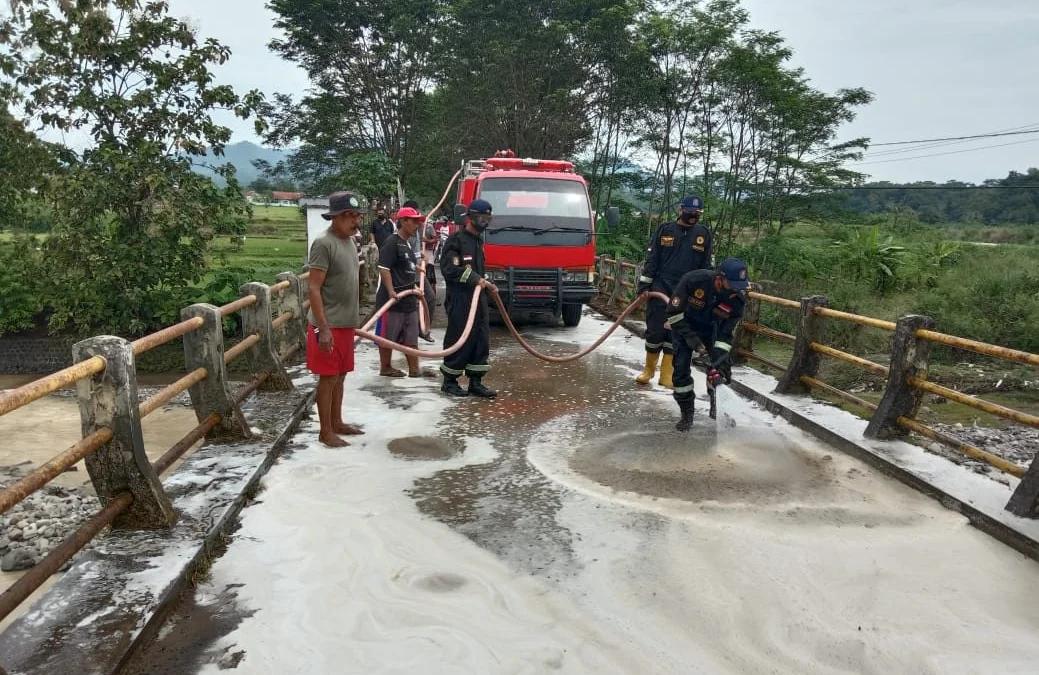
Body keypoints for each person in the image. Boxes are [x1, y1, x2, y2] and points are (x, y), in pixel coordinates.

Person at [306, 191, 366, 448]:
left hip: (346, 322)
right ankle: (325, 431)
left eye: (356, 215)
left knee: (340, 375)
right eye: (347, 216)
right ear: (334, 217)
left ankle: (338, 422)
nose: (354, 221)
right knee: (328, 377)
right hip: (327, 324)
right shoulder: (323, 243)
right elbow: (313, 288)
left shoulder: (351, 242)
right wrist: (323, 328)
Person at [635, 195, 713, 389]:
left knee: (675, 333)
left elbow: (706, 267)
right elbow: (652, 259)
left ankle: (666, 375)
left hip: (685, 293)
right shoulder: (665, 229)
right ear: (680, 210)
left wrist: (702, 293)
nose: (693, 215)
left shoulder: (703, 234)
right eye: (690, 211)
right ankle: (649, 370)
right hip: (661, 286)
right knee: (655, 331)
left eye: (697, 213)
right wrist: (644, 287)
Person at [664, 258, 750, 431]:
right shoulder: (694, 280)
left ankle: (718, 409)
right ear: (720, 278)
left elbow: (726, 333)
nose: (735, 288)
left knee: (721, 370)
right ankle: (687, 414)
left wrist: (717, 357)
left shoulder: (737, 300)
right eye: (731, 283)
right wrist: (696, 343)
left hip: (713, 331)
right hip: (684, 327)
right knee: (680, 373)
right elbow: (673, 313)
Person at [439, 199, 498, 398]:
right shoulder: (456, 241)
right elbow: (450, 270)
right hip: (460, 300)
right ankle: (449, 381)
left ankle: (476, 382)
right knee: (459, 338)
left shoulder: (479, 242)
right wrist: (475, 279)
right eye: (481, 218)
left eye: (488, 219)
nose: (484, 222)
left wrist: (487, 283)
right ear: (470, 218)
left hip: (478, 300)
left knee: (480, 339)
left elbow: (478, 270)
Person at [375, 206, 424, 378]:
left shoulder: (407, 244)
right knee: (386, 338)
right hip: (393, 301)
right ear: (403, 222)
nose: (417, 225)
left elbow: (406, 267)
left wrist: (416, 282)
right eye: (414, 221)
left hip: (409, 299)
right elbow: (384, 268)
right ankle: (386, 367)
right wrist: (390, 291)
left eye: (418, 221)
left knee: (411, 337)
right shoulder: (392, 242)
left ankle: (415, 369)